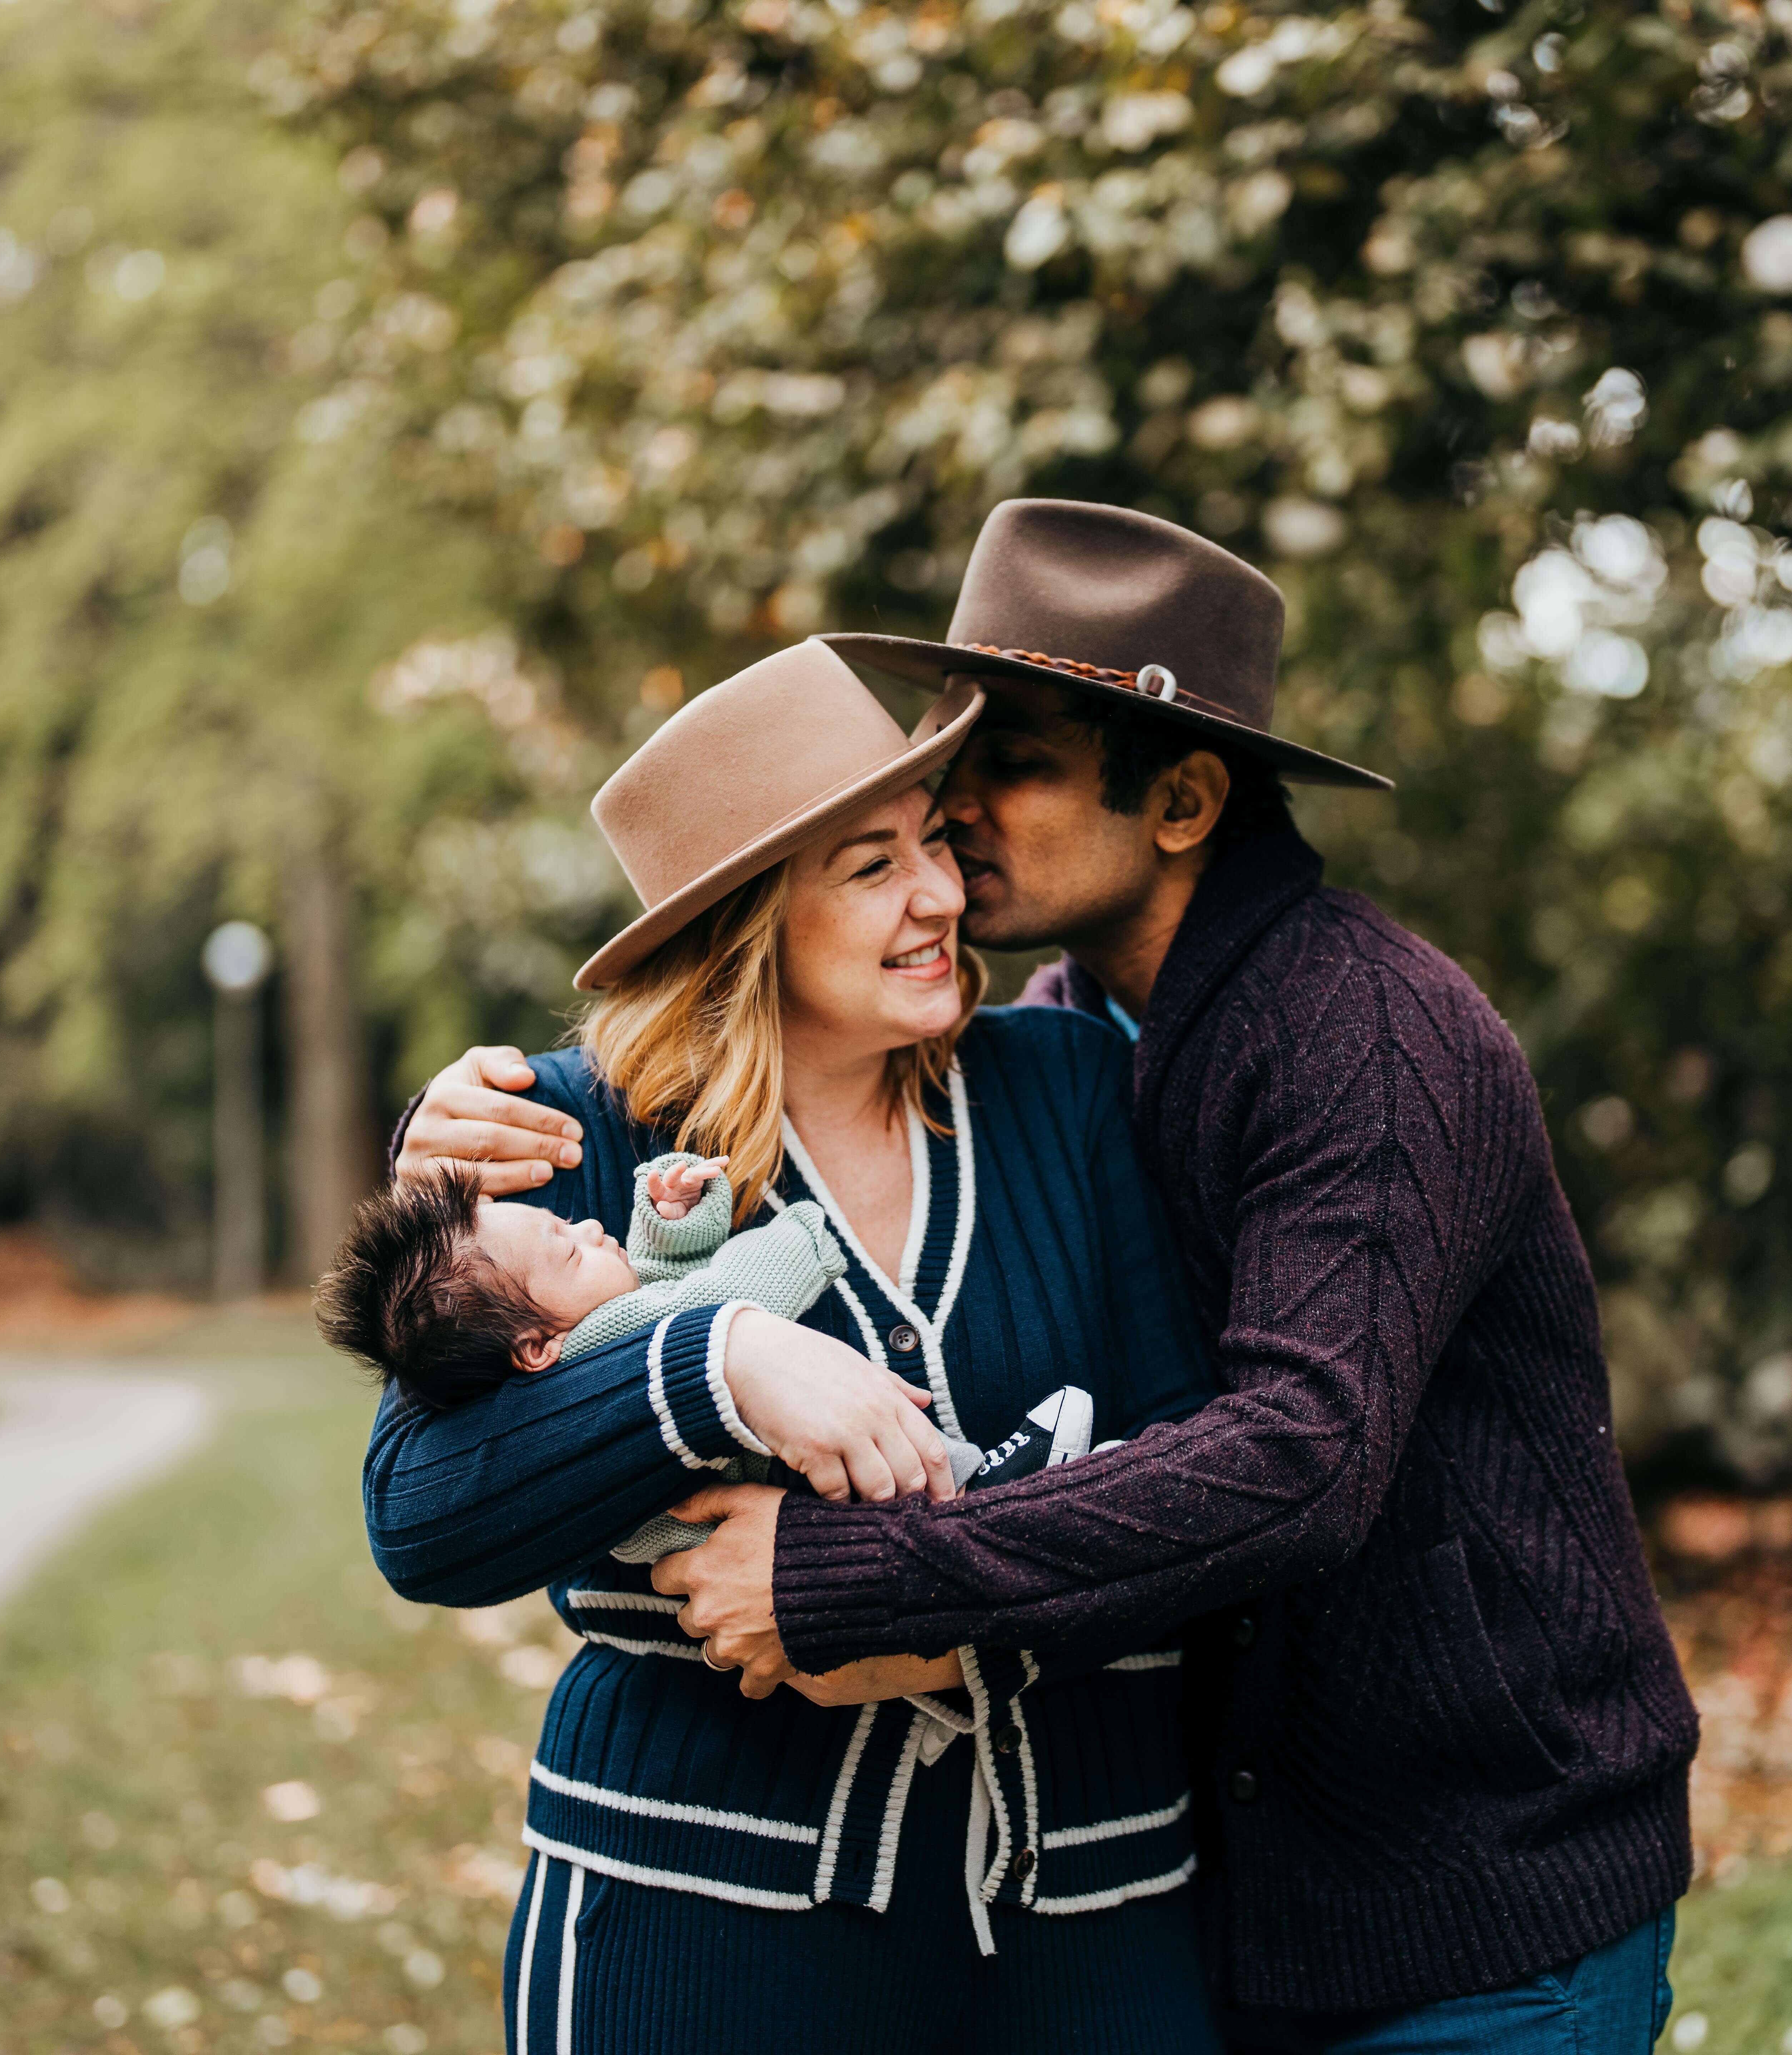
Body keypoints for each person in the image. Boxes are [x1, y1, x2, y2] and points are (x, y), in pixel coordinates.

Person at [393, 501, 1702, 2053]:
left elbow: (1296, 1454)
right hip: (1219, 1891)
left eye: (1002, 768)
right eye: (915, 809)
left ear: (1186, 797)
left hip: (1472, 1872)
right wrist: (667, 1324)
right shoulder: (1067, 1038)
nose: (952, 839)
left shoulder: (1350, 1034)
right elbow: (428, 1496)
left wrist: (852, 1581)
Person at [360, 639, 1224, 2053]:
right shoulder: (570, 1132)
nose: (945, 894)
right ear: (748, 919)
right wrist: (719, 1364)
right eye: (873, 867)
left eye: (933, 842)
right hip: (697, 1923)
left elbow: (1204, 1481)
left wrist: (937, 1630)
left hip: (1086, 1914)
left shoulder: (1067, 1090)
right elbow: (422, 1517)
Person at [317, 1154, 1094, 1559]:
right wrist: (801, 1241)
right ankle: (980, 1482)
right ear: (537, 1347)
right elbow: (701, 1302)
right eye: (568, 1250)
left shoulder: (570, 1342)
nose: (590, 1228)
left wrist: (668, 1223)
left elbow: (655, 1287)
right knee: (879, 1477)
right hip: (750, 1517)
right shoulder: (599, 1346)